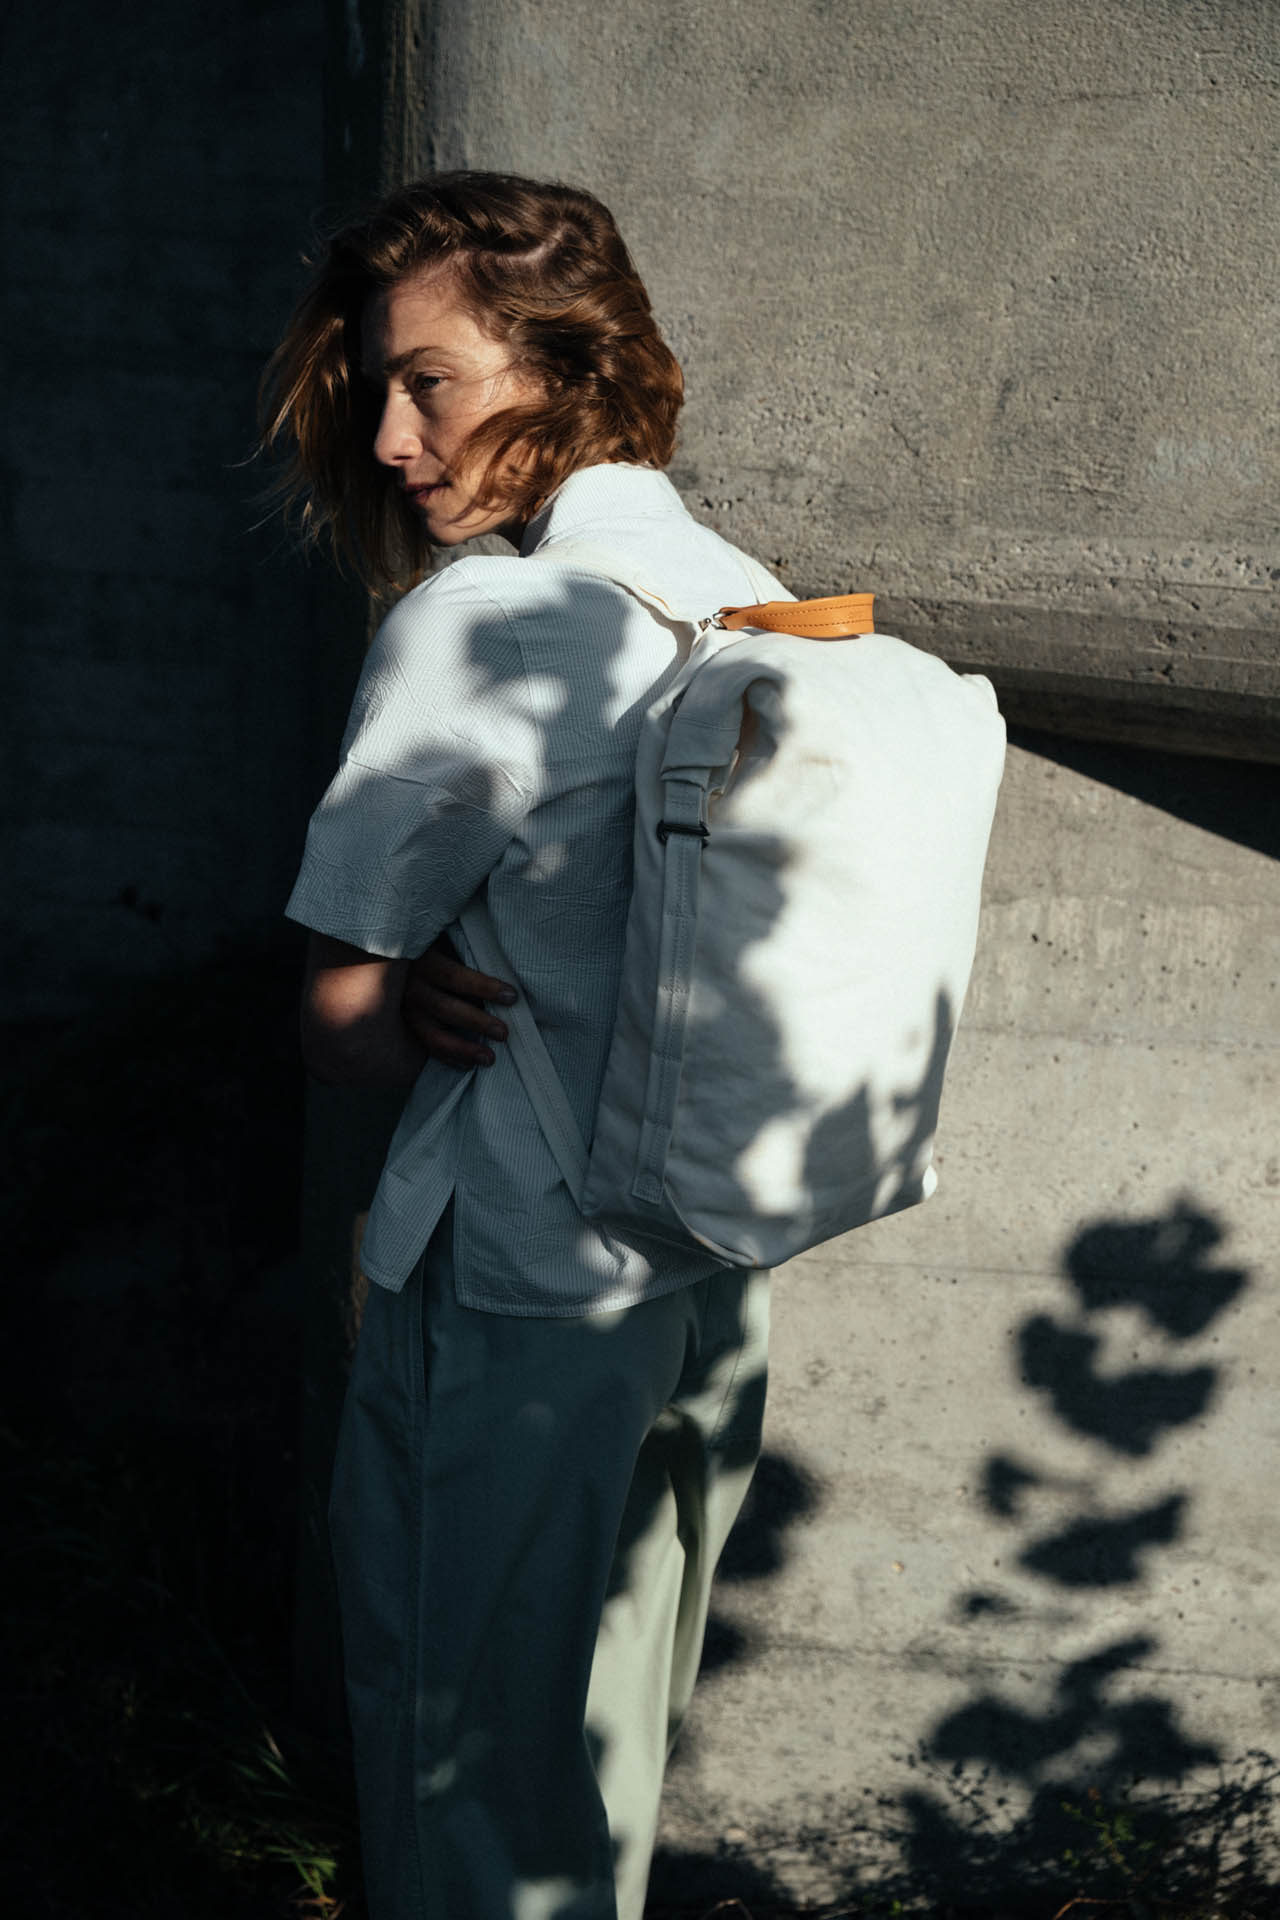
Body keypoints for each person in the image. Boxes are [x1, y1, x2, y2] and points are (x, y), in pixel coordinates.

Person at [262, 172, 784, 1920]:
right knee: (603, 1764)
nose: (391, 440)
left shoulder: (483, 621)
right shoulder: (751, 596)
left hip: (513, 1275)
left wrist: (397, 993)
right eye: (378, 389)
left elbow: (341, 1028)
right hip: (710, 1271)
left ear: (567, 369)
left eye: (430, 383)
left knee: (465, 1776)